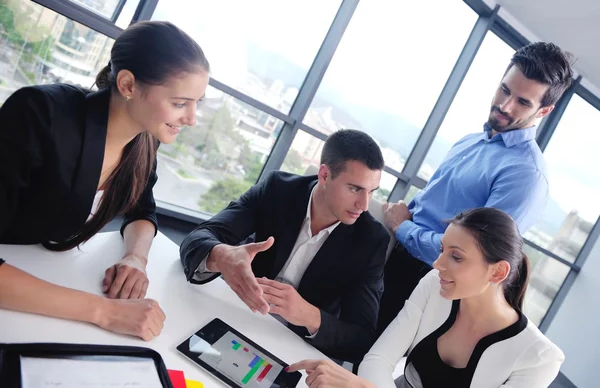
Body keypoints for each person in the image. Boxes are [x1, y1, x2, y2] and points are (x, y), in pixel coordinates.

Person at [0, 21, 210, 341]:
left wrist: (135, 258)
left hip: (34, 268)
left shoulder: (143, 141)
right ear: (127, 84)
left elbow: (143, 210)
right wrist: (104, 311)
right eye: (180, 103)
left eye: (197, 103)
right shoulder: (40, 113)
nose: (192, 119)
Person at [378, 42, 574, 333]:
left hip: (426, 280)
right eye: (505, 90)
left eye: (523, 102)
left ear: (544, 111)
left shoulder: (526, 176)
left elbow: (475, 257)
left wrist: (404, 228)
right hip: (392, 253)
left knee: (366, 368)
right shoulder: (470, 141)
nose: (505, 105)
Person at [288, 207, 564, 388]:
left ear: (497, 272)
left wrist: (360, 386)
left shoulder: (539, 358)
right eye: (442, 250)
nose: (437, 264)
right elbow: (377, 360)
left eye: (456, 257)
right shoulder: (435, 285)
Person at [180, 129, 390, 362]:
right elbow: (199, 236)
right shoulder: (277, 189)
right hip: (234, 317)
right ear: (324, 175)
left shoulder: (372, 241)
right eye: (355, 189)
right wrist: (221, 256)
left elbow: (361, 339)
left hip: (293, 350)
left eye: (371, 192)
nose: (364, 204)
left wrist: (309, 315)